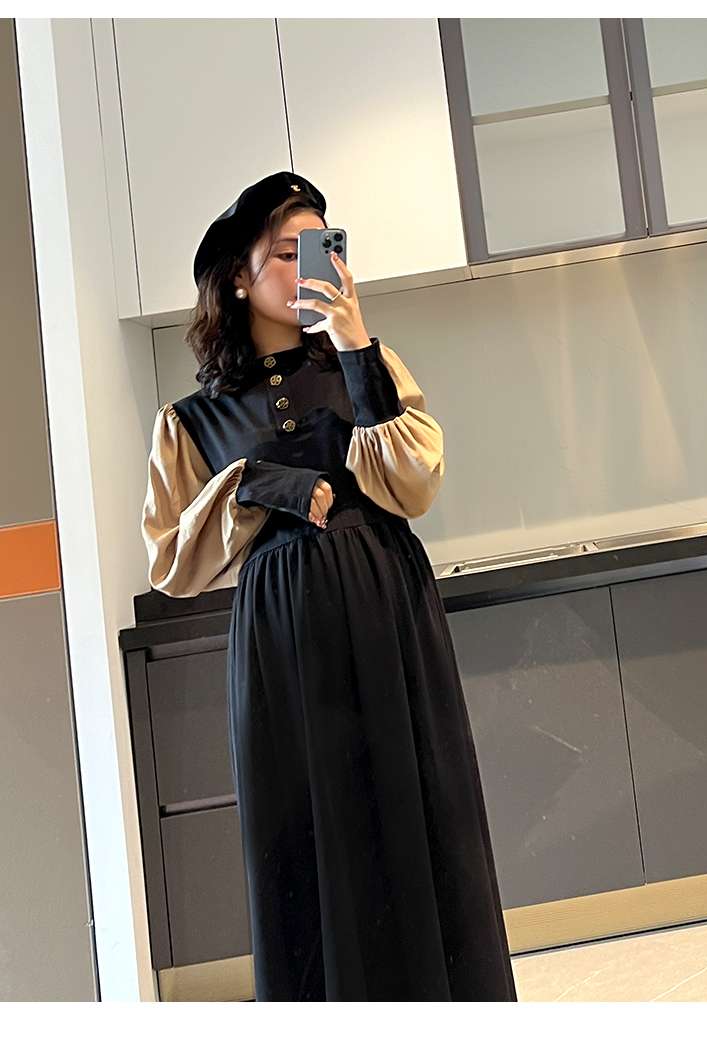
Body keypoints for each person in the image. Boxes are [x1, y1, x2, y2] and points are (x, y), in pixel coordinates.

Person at [140, 171, 517, 1002]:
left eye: (322, 248)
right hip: (283, 636)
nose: (311, 266)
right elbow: (170, 558)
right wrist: (258, 482)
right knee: (306, 822)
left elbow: (413, 483)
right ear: (239, 278)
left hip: (386, 603)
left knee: (419, 799)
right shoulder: (193, 420)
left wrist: (354, 342)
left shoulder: (367, 363)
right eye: (286, 252)